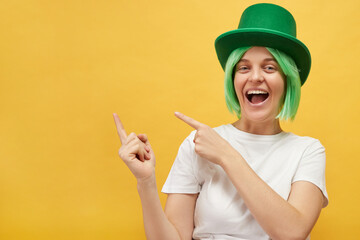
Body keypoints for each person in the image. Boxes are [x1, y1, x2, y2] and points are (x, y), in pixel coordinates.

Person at [113, 3, 328, 240]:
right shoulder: (199, 144)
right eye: (243, 67)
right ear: (233, 79)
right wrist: (146, 182)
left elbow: (292, 232)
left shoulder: (308, 151)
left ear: (288, 80)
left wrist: (227, 156)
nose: (255, 77)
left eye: (269, 67)